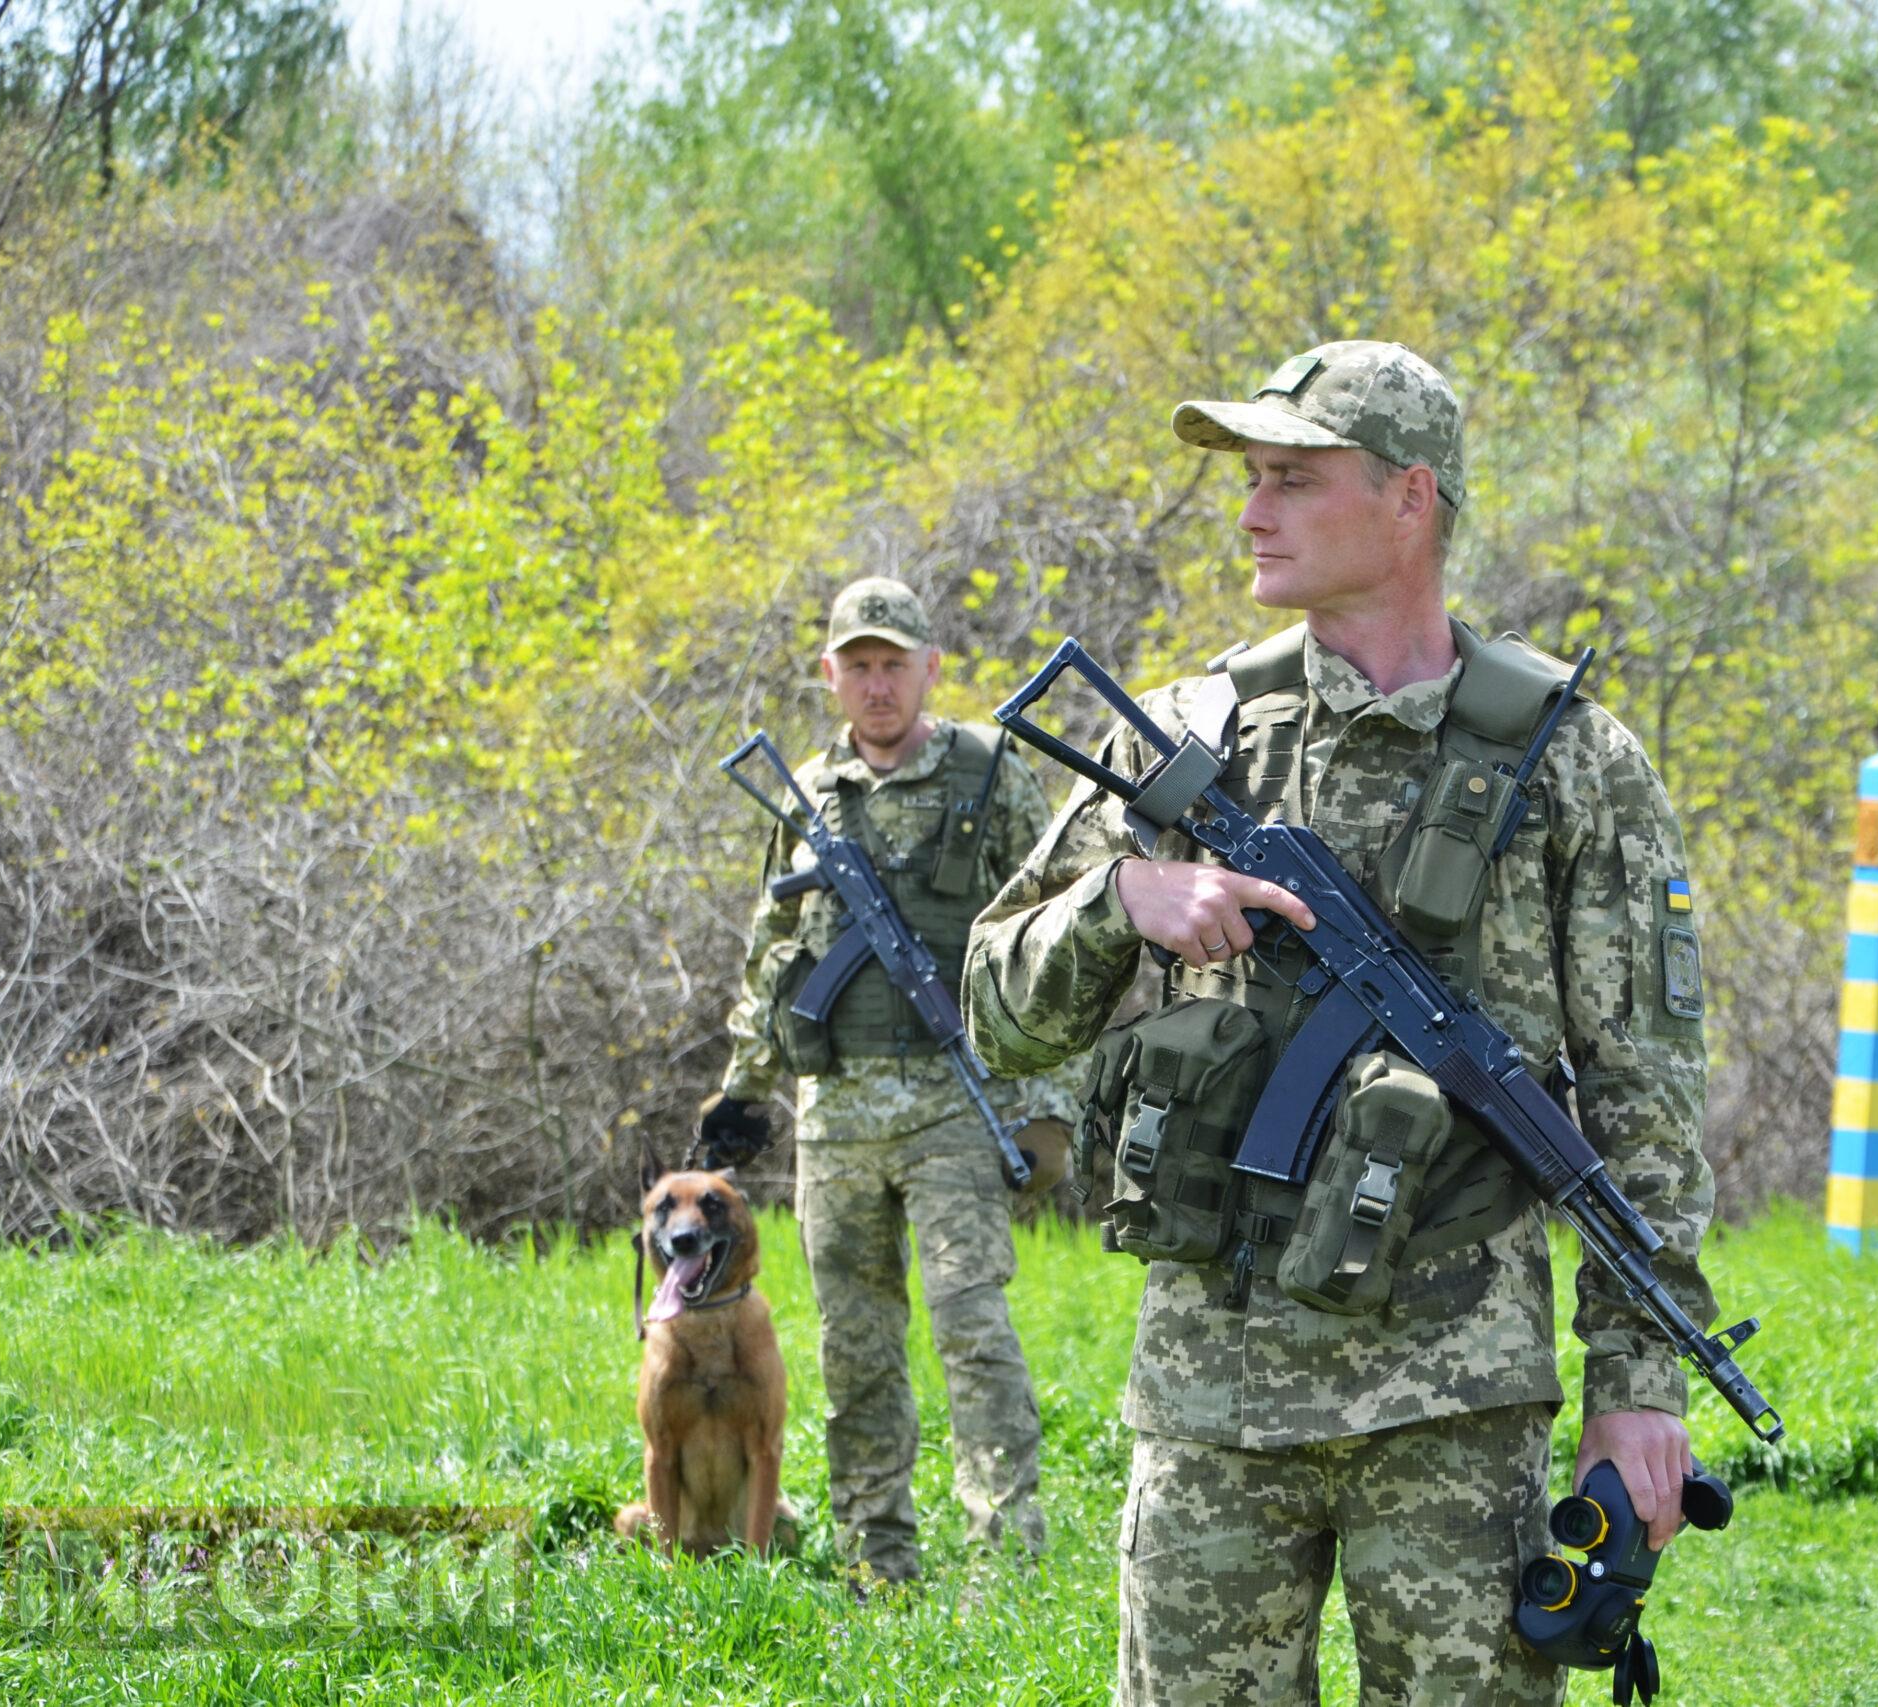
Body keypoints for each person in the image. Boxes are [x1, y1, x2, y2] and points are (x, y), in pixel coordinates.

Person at [962, 340, 1722, 1702]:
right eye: (1251, 478)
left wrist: (1638, 1382)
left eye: (1292, 480)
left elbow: (1643, 1100)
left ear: (1408, 498)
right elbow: (992, 1005)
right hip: (1212, 1399)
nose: (1252, 511)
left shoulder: (1574, 761)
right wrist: (1122, 898)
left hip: (1454, 1404)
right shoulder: (1192, 736)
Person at [703, 575, 1073, 1591]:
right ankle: (877, 1556)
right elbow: (772, 951)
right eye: (857, 666)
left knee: (970, 1325)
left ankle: (1010, 1553)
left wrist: (1052, 1105)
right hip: (836, 1118)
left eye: (893, 665)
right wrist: (743, 1089)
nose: (877, 686)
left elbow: (1056, 943)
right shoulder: (806, 796)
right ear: (830, 674)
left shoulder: (993, 777)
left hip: (957, 1107)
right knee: (854, 1344)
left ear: (931, 669)